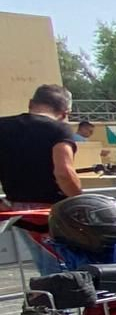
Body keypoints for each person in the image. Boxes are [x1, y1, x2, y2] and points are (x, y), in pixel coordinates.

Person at [0, 85, 84, 271]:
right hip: (55, 213)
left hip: (18, 212)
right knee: (64, 267)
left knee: (45, 264)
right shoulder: (59, 130)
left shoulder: (2, 126)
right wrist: (82, 203)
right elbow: (63, 174)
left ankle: (47, 294)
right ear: (65, 113)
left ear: (31, 103)